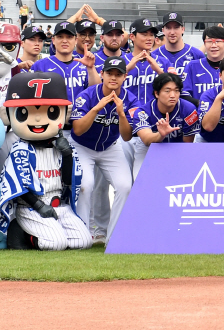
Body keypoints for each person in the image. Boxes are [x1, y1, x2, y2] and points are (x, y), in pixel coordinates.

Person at [69, 56, 137, 244]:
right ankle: (82, 235)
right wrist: (95, 109)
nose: (113, 77)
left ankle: (114, 238)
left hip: (110, 147)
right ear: (102, 74)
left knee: (125, 186)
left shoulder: (130, 100)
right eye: (109, 73)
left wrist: (121, 113)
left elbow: (126, 137)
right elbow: (78, 129)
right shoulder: (87, 95)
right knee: (85, 185)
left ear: (125, 77)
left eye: (118, 74)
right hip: (82, 146)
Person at [130, 73, 197, 177]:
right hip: (149, 148)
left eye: (176, 91)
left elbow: (187, 143)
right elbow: (147, 140)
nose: (173, 95)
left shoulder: (189, 109)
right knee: (141, 180)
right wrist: (161, 135)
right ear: (156, 93)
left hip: (177, 148)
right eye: (167, 91)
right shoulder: (143, 112)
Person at [31, 22, 91, 102]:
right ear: (53, 40)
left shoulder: (84, 65)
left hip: (80, 110)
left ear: (76, 40)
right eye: (60, 37)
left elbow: (96, 91)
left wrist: (91, 68)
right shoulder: (39, 65)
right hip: (52, 110)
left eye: (69, 37)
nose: (65, 41)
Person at [181, 25, 224, 102]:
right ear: (204, 44)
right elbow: (184, 94)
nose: (214, 45)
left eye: (218, 41)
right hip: (198, 109)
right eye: (209, 41)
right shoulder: (192, 66)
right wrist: (202, 105)